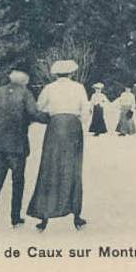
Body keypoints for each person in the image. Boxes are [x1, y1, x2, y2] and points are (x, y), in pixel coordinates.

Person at [27, 59, 89, 232]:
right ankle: (76, 215)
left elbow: (38, 107)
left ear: (55, 74)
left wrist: (52, 116)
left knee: (50, 168)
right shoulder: (78, 87)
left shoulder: (49, 88)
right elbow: (85, 111)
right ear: (71, 73)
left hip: (55, 127)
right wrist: (78, 121)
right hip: (72, 127)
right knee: (73, 169)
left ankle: (44, 216)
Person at [0, 70, 48, 229]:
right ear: (24, 82)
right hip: (17, 145)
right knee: (17, 182)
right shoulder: (25, 94)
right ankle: (15, 218)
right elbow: (34, 113)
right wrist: (51, 118)